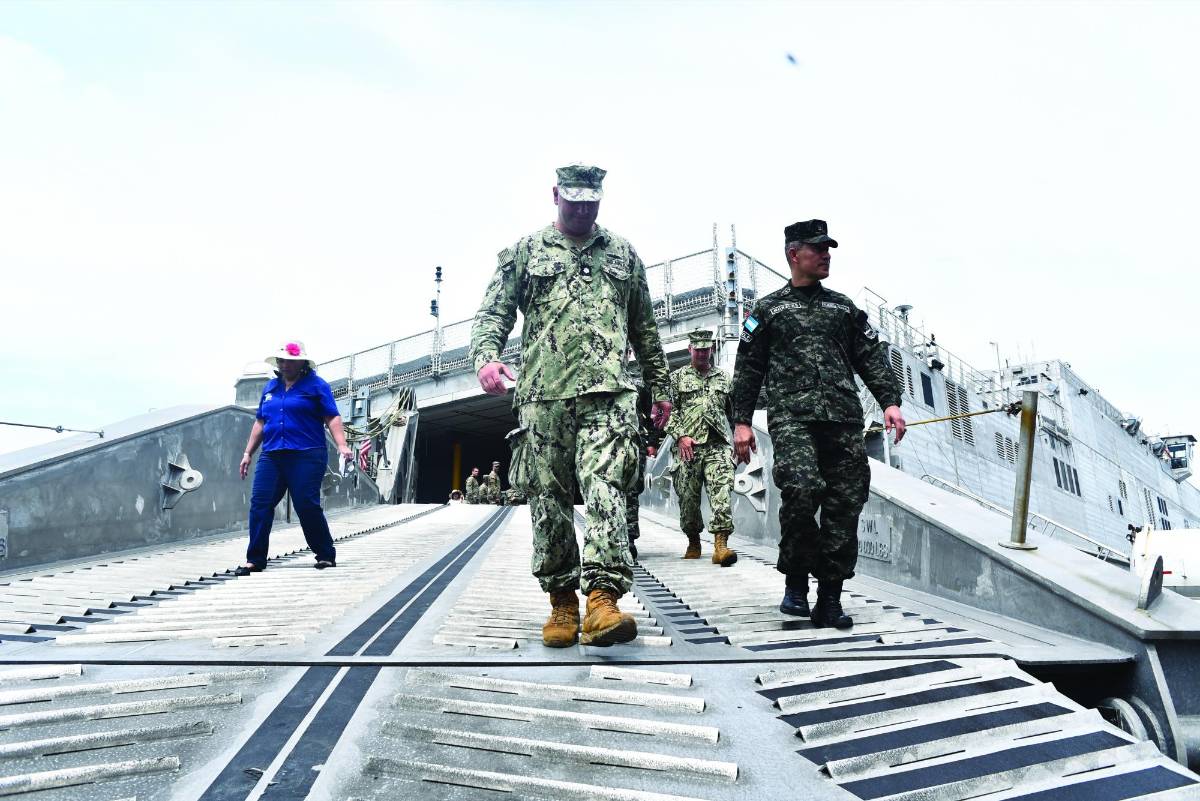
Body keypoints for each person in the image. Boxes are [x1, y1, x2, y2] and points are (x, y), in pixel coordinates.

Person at [470, 163, 672, 648]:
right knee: (549, 502)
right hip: (543, 397)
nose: (582, 209)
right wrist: (486, 358)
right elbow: (493, 311)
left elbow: (644, 325)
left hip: (610, 392)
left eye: (591, 202)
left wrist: (661, 386)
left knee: (607, 488)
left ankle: (603, 599)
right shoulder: (526, 251)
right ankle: (562, 601)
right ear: (555, 195)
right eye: (574, 200)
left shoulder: (623, 253)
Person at [731, 221, 905, 628]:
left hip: (843, 422)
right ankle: (795, 583)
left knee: (845, 506)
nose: (826, 255)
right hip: (792, 419)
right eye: (817, 249)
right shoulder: (769, 310)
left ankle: (830, 597)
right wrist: (741, 422)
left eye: (828, 249)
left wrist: (890, 402)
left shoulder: (843, 309)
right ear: (794, 254)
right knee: (802, 489)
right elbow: (748, 368)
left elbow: (871, 358)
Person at [237, 340, 352, 575]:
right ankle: (255, 559)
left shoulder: (316, 385)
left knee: (305, 504)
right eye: (280, 360)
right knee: (260, 504)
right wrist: (248, 452)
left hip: (306, 454)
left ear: (302, 363)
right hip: (272, 455)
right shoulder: (270, 388)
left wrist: (342, 445)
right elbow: (261, 421)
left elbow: (332, 417)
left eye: (289, 360)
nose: (284, 364)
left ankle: (325, 554)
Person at [667, 329, 737, 566]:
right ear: (690, 350)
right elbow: (668, 413)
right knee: (688, 499)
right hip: (688, 448)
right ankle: (693, 539)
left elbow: (733, 413)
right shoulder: (676, 378)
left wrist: (740, 434)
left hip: (717, 445)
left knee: (722, 493)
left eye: (706, 349)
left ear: (711, 350)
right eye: (697, 350)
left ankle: (721, 545)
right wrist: (680, 436)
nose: (702, 354)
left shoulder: (724, 378)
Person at [624, 356, 663, 561]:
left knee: (631, 490)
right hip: (603, 443)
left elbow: (654, 417)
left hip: (633, 443)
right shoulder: (596, 378)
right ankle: (609, 539)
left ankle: (629, 539)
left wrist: (652, 442)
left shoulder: (639, 385)